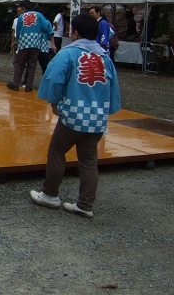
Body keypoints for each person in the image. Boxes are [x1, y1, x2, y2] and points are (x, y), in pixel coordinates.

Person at [30, 13, 121, 218]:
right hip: (97, 118)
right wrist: (108, 110)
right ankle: (85, 204)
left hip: (73, 115)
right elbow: (113, 89)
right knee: (88, 160)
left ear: (76, 33)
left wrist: (53, 102)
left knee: (57, 151)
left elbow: (53, 80)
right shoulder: (104, 58)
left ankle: (50, 194)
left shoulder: (68, 54)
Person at [7, 0, 56, 92]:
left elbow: (18, 31)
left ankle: (16, 84)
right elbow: (46, 27)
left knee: (19, 64)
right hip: (36, 43)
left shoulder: (21, 17)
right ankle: (29, 86)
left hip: (23, 43)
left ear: (24, 8)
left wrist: (18, 41)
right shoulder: (39, 15)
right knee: (32, 65)